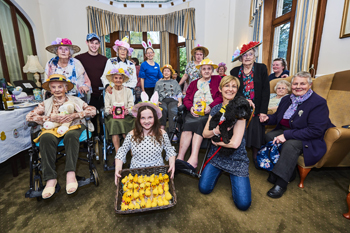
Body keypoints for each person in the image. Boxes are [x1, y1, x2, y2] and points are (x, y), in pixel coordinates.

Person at [260, 71, 334, 198]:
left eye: (302, 84)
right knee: (269, 137)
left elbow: (315, 130)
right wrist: (267, 118)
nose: (298, 86)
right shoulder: (286, 99)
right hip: (289, 130)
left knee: (290, 145)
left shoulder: (318, 103)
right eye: (295, 84)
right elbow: (278, 118)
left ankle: (281, 183)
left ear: (310, 85)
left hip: (308, 136)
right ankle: (289, 171)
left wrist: (287, 135)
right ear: (291, 85)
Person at [26, 74, 96, 199]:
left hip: (74, 126)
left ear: (65, 88)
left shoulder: (75, 100)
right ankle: (50, 179)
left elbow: (92, 110)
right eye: (53, 87)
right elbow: (29, 117)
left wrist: (75, 115)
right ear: (50, 89)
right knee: (45, 138)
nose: (57, 90)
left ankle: (70, 174)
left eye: (60, 87)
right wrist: (49, 118)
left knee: (71, 135)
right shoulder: (46, 103)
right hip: (52, 128)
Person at [200, 75, 251, 211]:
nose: (230, 89)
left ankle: (231, 174)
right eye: (227, 86)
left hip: (236, 157)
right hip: (217, 156)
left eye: (234, 86)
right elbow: (205, 133)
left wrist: (216, 143)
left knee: (243, 204)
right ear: (220, 89)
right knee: (204, 188)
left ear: (237, 89)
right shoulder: (216, 109)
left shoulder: (240, 109)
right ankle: (218, 171)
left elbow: (234, 144)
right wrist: (216, 131)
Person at [114, 92, 176, 185]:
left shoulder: (162, 133)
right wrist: (118, 167)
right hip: (137, 173)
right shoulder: (132, 134)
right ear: (138, 119)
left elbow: (170, 150)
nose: (146, 121)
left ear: (155, 118)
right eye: (143, 118)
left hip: (157, 173)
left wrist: (172, 163)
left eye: (150, 117)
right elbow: (122, 152)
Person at [176, 59, 223, 175]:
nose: (206, 71)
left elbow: (222, 96)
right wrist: (190, 107)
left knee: (200, 121)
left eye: (209, 69)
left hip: (209, 113)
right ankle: (180, 158)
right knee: (187, 123)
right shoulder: (193, 83)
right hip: (194, 112)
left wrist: (211, 107)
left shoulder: (218, 80)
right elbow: (186, 98)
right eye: (204, 69)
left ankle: (193, 159)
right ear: (200, 71)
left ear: (212, 70)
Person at [230, 41, 270, 169]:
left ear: (255, 56)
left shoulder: (261, 68)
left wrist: (263, 111)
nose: (247, 57)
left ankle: (255, 155)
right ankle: (236, 152)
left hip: (256, 107)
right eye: (244, 55)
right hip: (240, 105)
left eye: (250, 54)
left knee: (256, 127)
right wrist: (244, 100)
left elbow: (265, 90)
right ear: (240, 58)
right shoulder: (234, 71)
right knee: (237, 124)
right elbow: (233, 90)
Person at [75, 33, 108, 138]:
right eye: (91, 43)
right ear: (87, 43)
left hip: (101, 92)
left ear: (99, 45)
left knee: (102, 116)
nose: (94, 45)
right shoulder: (79, 58)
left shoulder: (104, 59)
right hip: (86, 94)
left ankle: (102, 137)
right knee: (89, 117)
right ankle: (91, 139)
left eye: (96, 43)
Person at [104, 68, 135, 154]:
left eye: (120, 78)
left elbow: (132, 106)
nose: (118, 80)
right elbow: (106, 108)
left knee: (124, 125)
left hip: (126, 116)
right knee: (114, 123)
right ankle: (118, 153)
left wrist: (128, 111)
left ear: (123, 80)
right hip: (113, 117)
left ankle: (133, 152)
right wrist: (109, 111)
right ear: (113, 80)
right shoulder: (109, 92)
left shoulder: (128, 91)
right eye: (116, 78)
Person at [155, 64, 182, 141]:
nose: (166, 73)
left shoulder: (174, 82)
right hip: (162, 100)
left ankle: (172, 132)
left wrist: (179, 102)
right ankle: (161, 131)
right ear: (162, 73)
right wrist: (156, 101)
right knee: (162, 109)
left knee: (172, 109)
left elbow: (179, 93)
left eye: (168, 71)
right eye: (164, 71)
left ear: (171, 73)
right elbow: (155, 93)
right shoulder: (158, 82)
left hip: (173, 99)